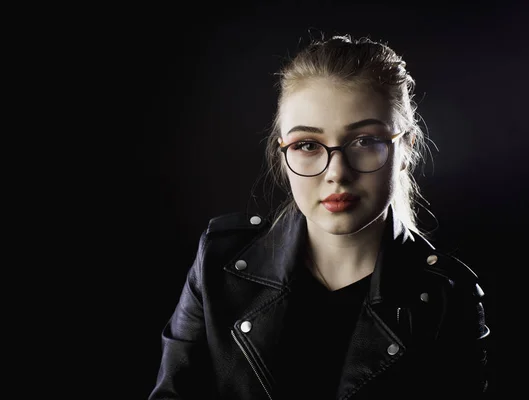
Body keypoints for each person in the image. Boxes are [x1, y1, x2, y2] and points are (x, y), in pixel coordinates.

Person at [149, 34, 491, 399]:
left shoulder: (447, 297)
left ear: (404, 148)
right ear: (283, 153)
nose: (337, 173)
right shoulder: (217, 264)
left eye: (364, 140)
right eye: (307, 145)